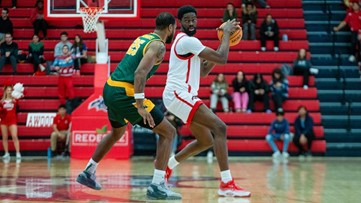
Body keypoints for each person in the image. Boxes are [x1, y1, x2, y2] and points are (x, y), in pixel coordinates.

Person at [76, 12, 182, 200]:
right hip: (124, 92)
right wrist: (140, 105)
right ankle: (158, 185)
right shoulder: (158, 45)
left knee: (117, 132)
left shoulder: (143, 38)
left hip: (110, 88)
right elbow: (140, 73)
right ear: (170, 28)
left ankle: (88, 171)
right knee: (169, 132)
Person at [163, 5, 251, 197]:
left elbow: (203, 71)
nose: (191, 23)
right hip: (178, 94)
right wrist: (226, 34)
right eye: (187, 20)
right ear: (180, 23)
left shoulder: (190, 42)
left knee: (206, 140)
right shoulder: (187, 41)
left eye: (194, 19)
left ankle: (167, 166)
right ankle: (226, 183)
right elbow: (222, 59)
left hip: (181, 95)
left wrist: (221, 42)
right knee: (220, 128)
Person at [1, 85, 21, 160]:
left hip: (12, 121)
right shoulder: (1, 102)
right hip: (3, 121)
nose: (9, 92)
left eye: (10, 90)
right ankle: (6, 153)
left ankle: (18, 153)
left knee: (14, 136)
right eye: (8, 90)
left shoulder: (15, 100)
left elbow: (22, 94)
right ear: (5, 91)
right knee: (5, 137)